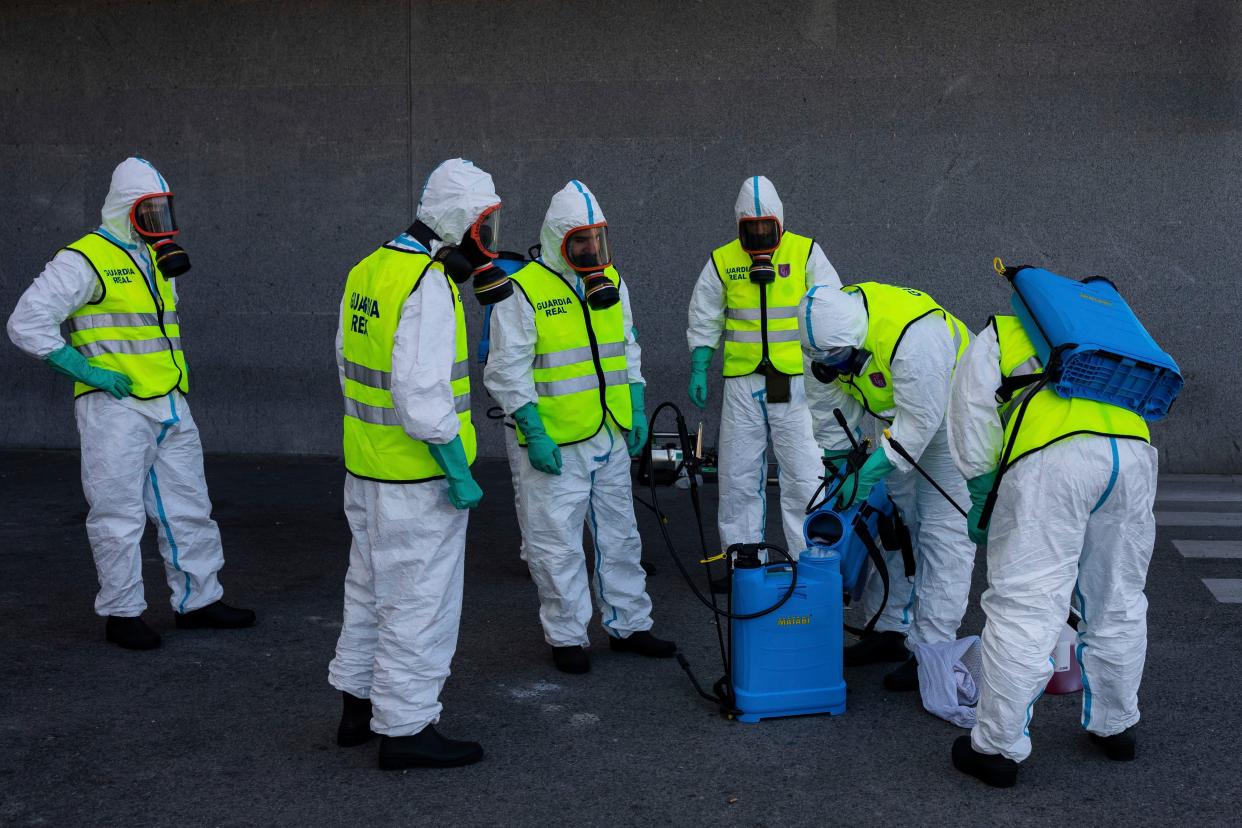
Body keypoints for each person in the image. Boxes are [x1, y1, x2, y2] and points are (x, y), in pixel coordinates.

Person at [6, 157, 254, 651]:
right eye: (149, 211)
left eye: (164, 210)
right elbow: (26, 323)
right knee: (117, 514)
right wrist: (87, 372)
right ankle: (122, 613)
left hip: (170, 401)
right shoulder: (83, 260)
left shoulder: (155, 260)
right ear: (125, 208)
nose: (159, 222)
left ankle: (200, 601)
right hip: (114, 409)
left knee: (190, 509)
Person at [328, 158, 507, 770]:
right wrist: (457, 469)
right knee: (418, 602)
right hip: (419, 477)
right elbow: (424, 398)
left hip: (368, 468)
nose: (489, 239)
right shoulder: (428, 285)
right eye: (485, 225)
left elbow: (351, 365)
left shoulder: (370, 268)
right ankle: (405, 730)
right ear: (460, 221)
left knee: (369, 590)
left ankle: (357, 706)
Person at [946, 310, 1157, 788]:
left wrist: (981, 490)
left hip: (1052, 458)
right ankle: (1117, 726)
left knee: (1025, 605)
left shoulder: (1002, 329)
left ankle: (997, 748)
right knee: (1119, 600)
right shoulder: (1110, 330)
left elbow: (970, 410)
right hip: (1134, 454)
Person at [484, 180, 675, 675]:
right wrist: (532, 429)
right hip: (556, 441)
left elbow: (626, 347)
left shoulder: (610, 281)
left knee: (621, 535)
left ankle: (630, 625)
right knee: (557, 542)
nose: (592, 251)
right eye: (581, 242)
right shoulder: (522, 289)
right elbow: (507, 369)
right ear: (556, 240)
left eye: (597, 240)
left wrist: (635, 406)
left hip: (609, 432)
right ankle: (567, 636)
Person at [799, 282, 973, 691]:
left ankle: (931, 654)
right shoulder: (823, 343)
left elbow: (922, 421)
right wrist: (840, 466)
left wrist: (873, 468)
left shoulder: (914, 337)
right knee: (894, 525)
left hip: (954, 419)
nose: (835, 369)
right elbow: (828, 411)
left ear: (853, 339)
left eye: (842, 359)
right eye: (825, 362)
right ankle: (890, 629)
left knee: (941, 534)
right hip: (898, 418)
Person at [686, 176, 841, 581]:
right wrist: (700, 363)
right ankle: (743, 564)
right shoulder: (723, 260)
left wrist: (831, 362)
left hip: (791, 380)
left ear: (779, 222)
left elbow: (832, 305)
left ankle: (811, 562)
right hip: (744, 380)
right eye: (749, 229)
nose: (757, 236)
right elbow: (705, 314)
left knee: (804, 471)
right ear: (739, 225)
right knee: (737, 474)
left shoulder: (806, 252)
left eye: (764, 228)